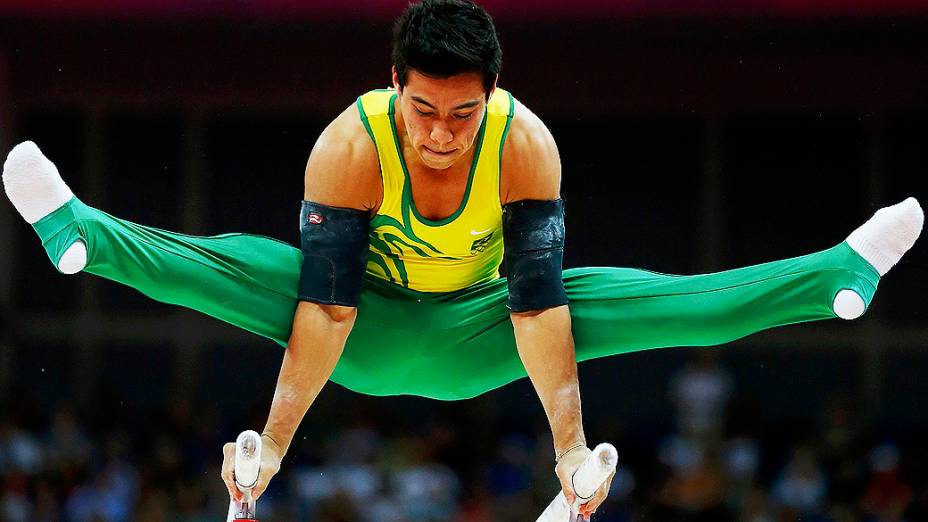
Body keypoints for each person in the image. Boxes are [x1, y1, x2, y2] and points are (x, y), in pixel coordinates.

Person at [1, 0, 922, 517]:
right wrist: (271, 450)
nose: (441, 136)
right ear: (394, 85)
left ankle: (836, 277)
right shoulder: (349, 145)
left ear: (493, 96)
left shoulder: (525, 145)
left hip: (486, 334)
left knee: (664, 303)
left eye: (463, 114)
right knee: (237, 265)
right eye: (423, 111)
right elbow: (324, 312)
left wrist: (570, 452)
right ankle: (77, 234)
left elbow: (535, 308)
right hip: (359, 328)